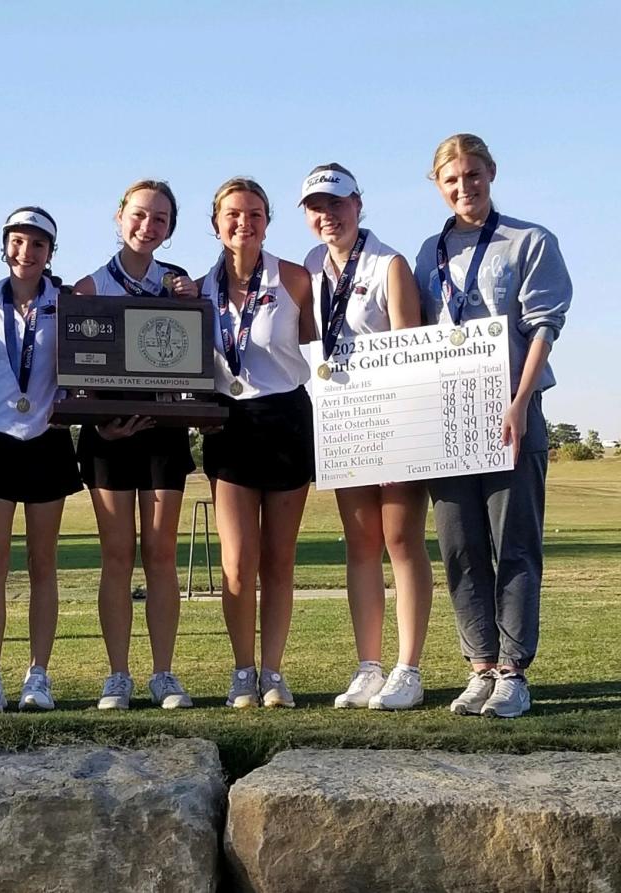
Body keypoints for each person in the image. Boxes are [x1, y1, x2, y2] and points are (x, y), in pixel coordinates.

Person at [415, 134, 571, 718]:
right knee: (460, 546)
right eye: (452, 180)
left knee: (515, 545)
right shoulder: (429, 251)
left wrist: (519, 400)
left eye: (473, 176)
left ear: (491, 173)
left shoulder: (529, 240)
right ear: (437, 185)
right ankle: (479, 666)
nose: (465, 188)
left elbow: (542, 328)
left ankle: (513, 671)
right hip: (451, 418)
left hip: (512, 411)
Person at [301, 164, 434, 710]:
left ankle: (409, 667)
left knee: (401, 540)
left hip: (396, 420)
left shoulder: (390, 264)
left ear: (359, 204)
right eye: (316, 207)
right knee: (360, 544)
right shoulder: (310, 266)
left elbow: (410, 348)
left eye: (337, 204)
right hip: (343, 423)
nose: (327, 216)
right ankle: (368, 666)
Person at [73, 179, 199, 710]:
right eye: (140, 215)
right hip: (107, 437)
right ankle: (118, 675)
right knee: (117, 555)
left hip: (164, 435)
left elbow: (200, 358)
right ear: (119, 215)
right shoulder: (87, 287)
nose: (149, 226)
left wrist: (195, 302)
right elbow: (73, 372)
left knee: (162, 553)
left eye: (161, 219)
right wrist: (100, 423)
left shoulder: (181, 286)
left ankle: (164, 674)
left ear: (170, 229)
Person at [198, 177, 316, 708]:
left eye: (255, 214)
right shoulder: (196, 291)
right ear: (216, 223)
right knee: (238, 562)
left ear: (268, 221)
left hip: (287, 418)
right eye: (233, 214)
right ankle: (242, 671)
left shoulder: (295, 278)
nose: (244, 223)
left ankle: (274, 673)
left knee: (279, 561)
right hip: (229, 425)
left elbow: (329, 343)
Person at [0, 207, 82, 712]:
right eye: (16, 241)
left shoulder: (69, 303)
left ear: (50, 252)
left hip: (48, 438)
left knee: (42, 563)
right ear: (4, 246)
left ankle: (38, 676)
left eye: (37, 244)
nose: (25, 252)